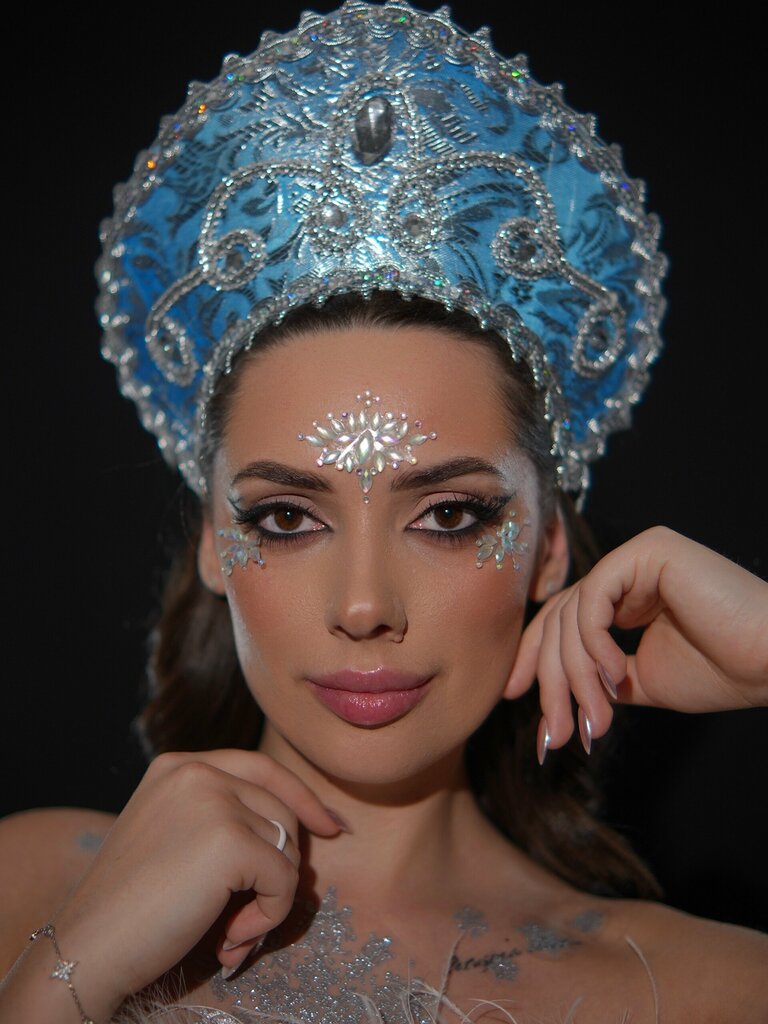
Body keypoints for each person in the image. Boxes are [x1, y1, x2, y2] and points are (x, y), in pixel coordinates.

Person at [1, 3, 766, 1022]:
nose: (364, 607)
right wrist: (71, 971)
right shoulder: (30, 884)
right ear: (214, 543)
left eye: (448, 515)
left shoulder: (715, 988)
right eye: (286, 518)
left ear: (547, 545)